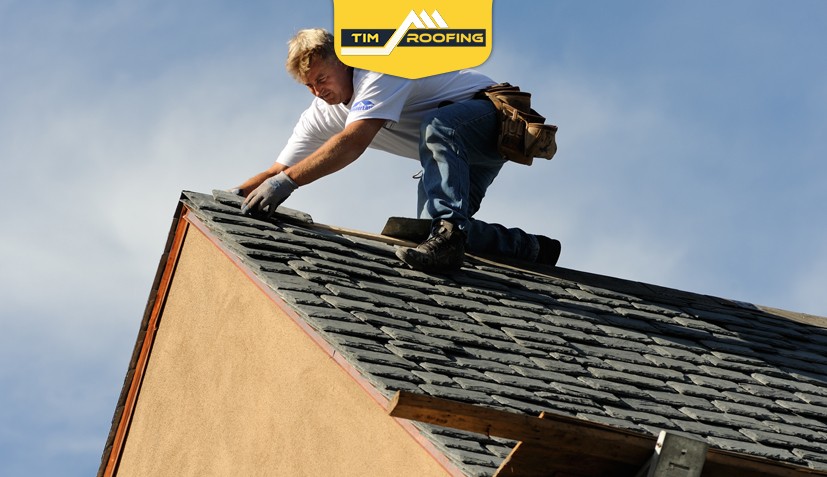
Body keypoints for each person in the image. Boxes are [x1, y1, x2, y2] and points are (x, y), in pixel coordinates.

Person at [235, 28, 560, 273]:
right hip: (458, 152)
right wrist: (235, 198)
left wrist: (289, 182)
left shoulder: (377, 69)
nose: (318, 91)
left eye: (322, 78)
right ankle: (531, 249)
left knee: (439, 131)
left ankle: (449, 235)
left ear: (344, 62)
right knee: (433, 231)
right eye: (309, 85)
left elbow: (354, 141)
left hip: (488, 119)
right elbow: (277, 171)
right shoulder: (321, 114)